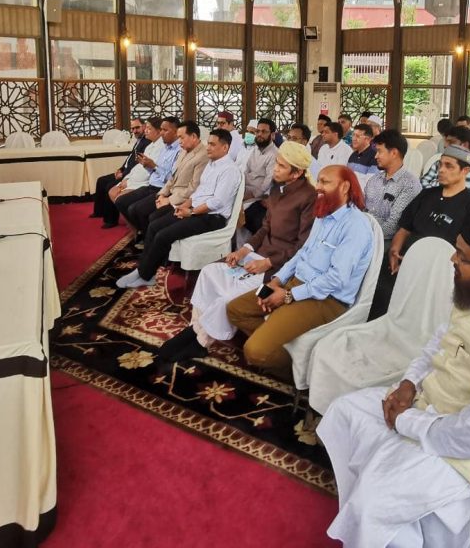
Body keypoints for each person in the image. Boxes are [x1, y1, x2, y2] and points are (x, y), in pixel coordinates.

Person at [318, 199, 470, 547]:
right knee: (346, 410)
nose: (452, 259)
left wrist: (407, 422)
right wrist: (409, 383)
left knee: (374, 503)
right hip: (429, 408)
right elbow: (439, 341)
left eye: (462, 255)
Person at [156, 142, 317, 363]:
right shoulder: (277, 188)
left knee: (230, 296)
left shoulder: (309, 197)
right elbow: (265, 228)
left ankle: (201, 342)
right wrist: (243, 250)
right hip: (257, 256)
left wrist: (268, 263)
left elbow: (303, 245)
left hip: (279, 267)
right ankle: (195, 328)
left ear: (297, 173)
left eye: (281, 166)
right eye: (276, 163)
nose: (275, 169)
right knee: (209, 272)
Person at [224, 165, 374, 380]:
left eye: (325, 182)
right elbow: (302, 253)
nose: (318, 187)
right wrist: (277, 280)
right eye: (318, 181)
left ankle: (305, 372)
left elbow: (337, 279)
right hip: (294, 284)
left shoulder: (355, 226)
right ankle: (286, 350)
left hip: (325, 300)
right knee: (236, 310)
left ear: (345, 187)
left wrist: (288, 295)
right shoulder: (323, 215)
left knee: (254, 351)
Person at [116, 128, 241, 288]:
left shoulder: (230, 170)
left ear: (225, 147)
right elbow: (200, 192)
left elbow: (217, 203)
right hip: (196, 210)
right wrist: (184, 206)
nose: (208, 147)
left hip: (212, 218)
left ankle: (145, 275)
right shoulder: (212, 164)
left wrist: (191, 212)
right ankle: (143, 270)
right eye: (208, 143)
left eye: (212, 144)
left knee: (163, 235)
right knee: (154, 226)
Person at [389, 146, 470, 275]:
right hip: (405, 260)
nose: (441, 170)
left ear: (465, 170)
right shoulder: (426, 194)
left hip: (439, 270)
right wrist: (394, 251)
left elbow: (466, 253)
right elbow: (404, 229)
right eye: (440, 165)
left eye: (449, 166)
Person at [123, 121, 207, 233]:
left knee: (152, 217)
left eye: (181, 137)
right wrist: (161, 195)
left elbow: (193, 188)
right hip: (169, 192)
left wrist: (168, 200)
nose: (179, 141)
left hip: (182, 199)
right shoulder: (184, 150)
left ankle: (149, 239)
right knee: (135, 209)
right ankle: (144, 237)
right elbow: (173, 177)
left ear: (193, 136)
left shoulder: (202, 156)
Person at [115, 116, 181, 234]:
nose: (162, 133)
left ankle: (146, 236)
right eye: (161, 130)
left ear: (176, 132)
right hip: (151, 185)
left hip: (162, 188)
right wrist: (147, 165)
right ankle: (141, 231)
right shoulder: (165, 147)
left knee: (135, 209)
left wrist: (153, 166)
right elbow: (153, 171)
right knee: (120, 201)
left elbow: (171, 178)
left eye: (165, 130)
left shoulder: (179, 150)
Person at [364, 130, 421, 246]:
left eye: (379, 151)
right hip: (365, 235)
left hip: (386, 243)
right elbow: (364, 210)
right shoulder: (374, 179)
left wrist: (364, 237)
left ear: (394, 153)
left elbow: (392, 226)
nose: (375, 156)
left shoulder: (410, 184)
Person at [102, 117, 163, 228]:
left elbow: (148, 170)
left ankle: (135, 228)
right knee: (112, 191)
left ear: (158, 131)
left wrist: (129, 182)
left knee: (120, 198)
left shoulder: (161, 146)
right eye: (146, 128)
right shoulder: (150, 146)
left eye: (149, 128)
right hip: (134, 178)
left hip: (145, 181)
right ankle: (131, 225)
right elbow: (138, 166)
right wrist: (127, 178)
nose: (146, 131)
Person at [89, 117, 147, 224]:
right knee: (101, 180)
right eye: (133, 129)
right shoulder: (139, 140)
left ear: (144, 126)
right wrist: (120, 169)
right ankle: (99, 211)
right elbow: (130, 158)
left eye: (137, 128)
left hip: (130, 175)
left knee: (109, 185)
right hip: (125, 171)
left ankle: (111, 220)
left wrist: (123, 174)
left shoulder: (146, 142)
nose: (135, 131)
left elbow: (137, 164)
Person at [422, 125, 470, 199]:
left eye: (451, 142)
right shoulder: (441, 161)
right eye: (446, 141)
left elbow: (456, 193)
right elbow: (422, 183)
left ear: (465, 145)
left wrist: (434, 184)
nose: (445, 145)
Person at [241, 119, 279, 233]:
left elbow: (268, 182)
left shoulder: (274, 154)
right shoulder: (255, 150)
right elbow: (246, 171)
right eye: (257, 131)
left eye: (264, 132)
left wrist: (251, 194)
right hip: (245, 192)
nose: (259, 134)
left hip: (258, 197)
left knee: (245, 217)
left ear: (272, 135)